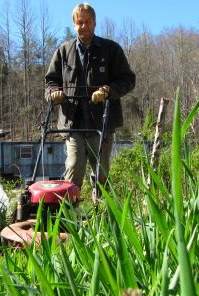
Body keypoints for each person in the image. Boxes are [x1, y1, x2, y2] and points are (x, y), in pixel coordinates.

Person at [45, 3, 136, 197]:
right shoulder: (63, 51)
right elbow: (50, 81)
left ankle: (101, 216)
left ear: (94, 23)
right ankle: (68, 217)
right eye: (80, 22)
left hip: (101, 122)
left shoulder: (110, 49)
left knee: (101, 173)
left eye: (87, 22)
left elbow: (128, 80)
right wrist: (55, 93)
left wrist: (107, 91)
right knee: (73, 169)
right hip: (73, 123)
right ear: (74, 25)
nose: (84, 26)